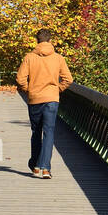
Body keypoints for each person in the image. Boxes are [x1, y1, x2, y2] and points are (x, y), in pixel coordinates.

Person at [15, 29, 73, 179]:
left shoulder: (29, 57)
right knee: (49, 133)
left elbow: (20, 79)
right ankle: (45, 169)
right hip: (52, 100)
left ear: (37, 41)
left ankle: (35, 166)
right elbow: (68, 79)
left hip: (35, 100)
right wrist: (56, 90)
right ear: (50, 40)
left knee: (36, 132)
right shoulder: (58, 58)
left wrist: (30, 91)